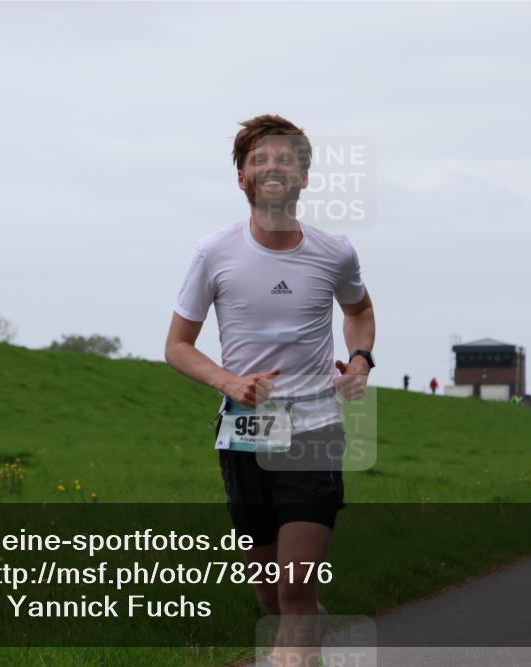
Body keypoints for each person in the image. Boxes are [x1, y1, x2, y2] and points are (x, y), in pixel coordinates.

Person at [164, 114, 375, 664]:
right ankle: (309, 635)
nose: (274, 166)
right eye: (260, 158)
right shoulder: (214, 252)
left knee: (295, 590)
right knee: (270, 595)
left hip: (313, 431)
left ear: (304, 177)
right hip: (245, 433)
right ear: (242, 179)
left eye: (287, 157)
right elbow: (178, 346)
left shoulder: (336, 252)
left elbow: (359, 311)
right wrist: (229, 380)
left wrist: (359, 360)